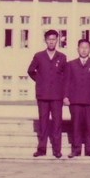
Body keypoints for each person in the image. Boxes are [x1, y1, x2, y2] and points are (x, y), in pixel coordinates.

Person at [27, 30, 67, 158]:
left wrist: (62, 91)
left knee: (57, 123)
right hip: (43, 95)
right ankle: (41, 149)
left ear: (57, 41)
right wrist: (40, 80)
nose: (51, 42)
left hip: (57, 96)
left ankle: (57, 150)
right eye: (49, 39)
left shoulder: (62, 57)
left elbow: (65, 75)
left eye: (54, 39)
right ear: (45, 40)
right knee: (43, 122)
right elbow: (30, 70)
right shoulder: (39, 56)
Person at [64, 39, 90, 158]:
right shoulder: (71, 64)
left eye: (86, 47)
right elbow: (67, 81)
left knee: (89, 125)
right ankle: (76, 149)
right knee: (76, 125)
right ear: (78, 49)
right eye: (81, 47)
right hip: (75, 100)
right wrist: (65, 96)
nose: (84, 50)